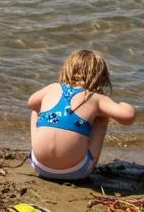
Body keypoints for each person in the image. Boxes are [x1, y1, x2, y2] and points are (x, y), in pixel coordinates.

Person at [28, 50, 135, 181]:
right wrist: (125, 105)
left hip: (39, 165)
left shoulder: (53, 87)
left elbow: (31, 102)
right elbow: (128, 117)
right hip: (76, 171)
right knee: (102, 118)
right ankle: (85, 157)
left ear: (66, 69)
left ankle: (38, 149)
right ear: (101, 77)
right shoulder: (96, 98)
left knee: (35, 110)